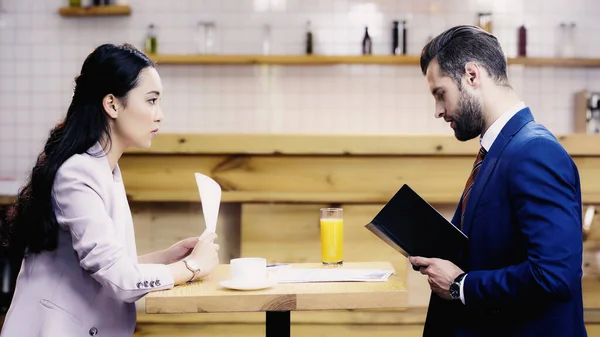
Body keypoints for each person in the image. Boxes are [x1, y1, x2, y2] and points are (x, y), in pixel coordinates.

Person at [0, 43, 220, 337]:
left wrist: (169, 257)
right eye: (151, 100)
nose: (160, 115)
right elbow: (120, 279)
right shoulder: (77, 173)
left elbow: (107, 266)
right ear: (112, 104)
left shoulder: (105, 168)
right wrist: (192, 267)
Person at [409, 25, 587, 337]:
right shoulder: (499, 149)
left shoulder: (536, 151)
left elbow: (554, 274)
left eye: (440, 94)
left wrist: (459, 285)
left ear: (472, 76)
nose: (438, 111)